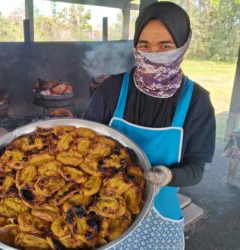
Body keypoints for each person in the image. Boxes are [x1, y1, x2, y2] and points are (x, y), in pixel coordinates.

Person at [83, 2, 215, 249]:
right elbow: (82, 148)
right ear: (135, 46)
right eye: (144, 45)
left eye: (165, 46)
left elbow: (196, 169)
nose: (153, 54)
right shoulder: (110, 91)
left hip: (160, 214)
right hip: (100, 212)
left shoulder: (197, 102)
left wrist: (169, 175)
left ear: (183, 45)